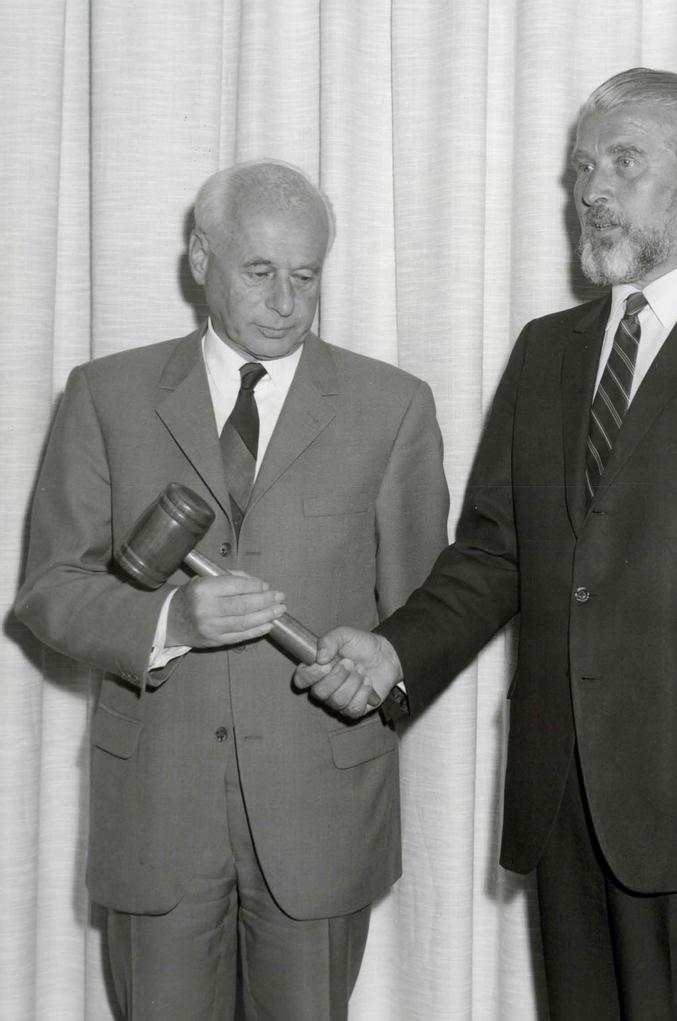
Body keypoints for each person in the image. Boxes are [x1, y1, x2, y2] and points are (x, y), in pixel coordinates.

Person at [297, 68, 677, 1019]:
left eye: (624, 162)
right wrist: (396, 645)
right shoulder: (547, 351)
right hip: (563, 801)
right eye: (583, 169)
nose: (594, 190)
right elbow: (495, 552)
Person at [16, 159, 448, 1020]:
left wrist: (385, 672)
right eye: (259, 272)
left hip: (320, 815)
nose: (286, 301)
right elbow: (48, 590)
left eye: (306, 275)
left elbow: (426, 620)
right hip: (158, 815)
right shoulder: (106, 396)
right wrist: (170, 615)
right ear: (199, 257)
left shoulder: (391, 406)